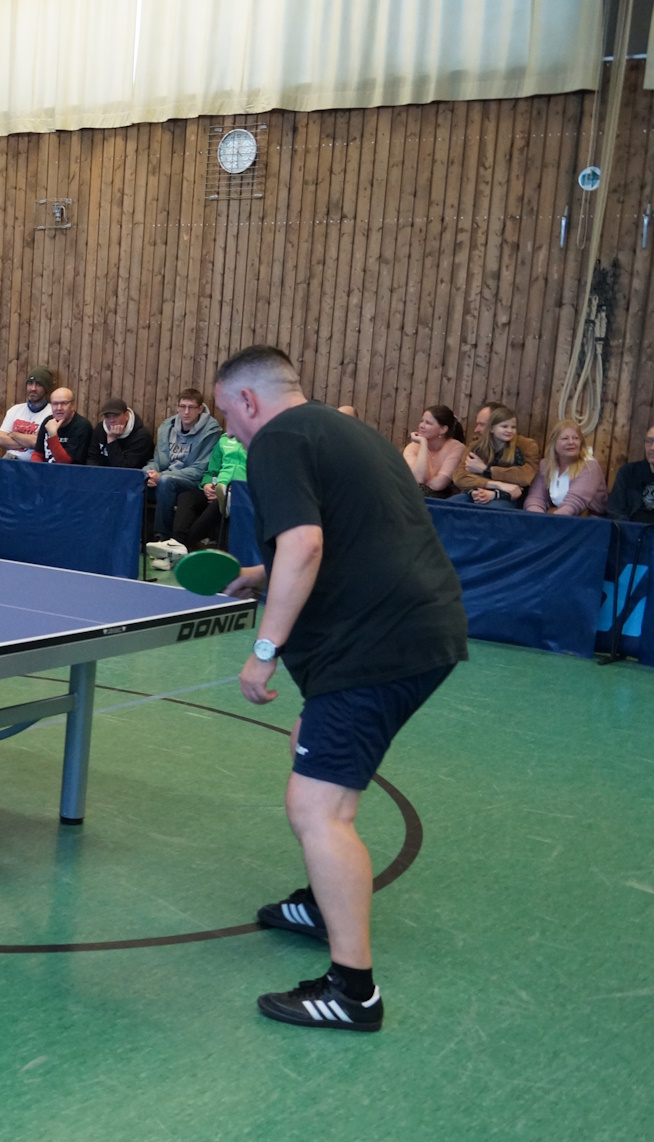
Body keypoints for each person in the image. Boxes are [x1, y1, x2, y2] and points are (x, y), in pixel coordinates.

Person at [213, 346, 466, 1033]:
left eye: (228, 414)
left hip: (376, 646)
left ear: (249, 401)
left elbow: (306, 543)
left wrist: (263, 651)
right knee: (314, 750)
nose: (230, 430)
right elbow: (353, 531)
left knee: (317, 808)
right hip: (416, 630)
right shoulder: (345, 430)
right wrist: (260, 573)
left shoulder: (275, 441)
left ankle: (353, 992)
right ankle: (323, 905)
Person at [148, 430, 247, 569]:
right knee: (186, 497)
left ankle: (175, 549)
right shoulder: (224, 440)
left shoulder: (257, 442)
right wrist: (207, 485)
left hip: (240, 492)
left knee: (219, 503)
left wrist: (235, 489)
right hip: (217, 487)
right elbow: (211, 471)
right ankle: (176, 545)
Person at [147, 389, 221, 537]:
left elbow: (200, 469)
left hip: (191, 482)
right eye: (183, 406)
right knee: (137, 481)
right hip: (164, 478)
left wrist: (161, 475)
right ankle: (135, 536)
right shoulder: (167, 427)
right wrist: (149, 472)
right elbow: (157, 461)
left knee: (166, 481)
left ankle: (162, 536)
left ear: (200, 409)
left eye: (191, 407)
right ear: (177, 407)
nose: (186, 412)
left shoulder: (210, 431)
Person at [451, 405, 539, 506]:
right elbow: (460, 477)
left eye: (482, 424)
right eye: (505, 427)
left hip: (506, 497)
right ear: (492, 428)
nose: (476, 429)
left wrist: (486, 470)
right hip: (477, 492)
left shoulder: (524, 447)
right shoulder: (477, 447)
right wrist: (496, 485)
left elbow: (524, 478)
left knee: (492, 508)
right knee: (450, 504)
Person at [523, 422, 606, 516]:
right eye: (565, 438)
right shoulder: (545, 465)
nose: (571, 442)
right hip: (556, 517)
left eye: (575, 438)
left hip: (588, 519)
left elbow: (573, 503)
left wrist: (550, 521)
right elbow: (535, 498)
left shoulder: (590, 466)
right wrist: (537, 518)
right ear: (554, 443)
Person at [403, 405, 466, 495]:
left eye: (428, 423)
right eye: (422, 421)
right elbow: (418, 478)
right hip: (415, 493)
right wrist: (423, 444)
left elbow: (438, 485)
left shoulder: (457, 448)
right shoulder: (412, 447)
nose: (421, 426)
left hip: (444, 495)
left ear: (443, 429)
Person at [17, 387, 90, 463]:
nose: (59, 408)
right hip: (45, 469)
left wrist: (53, 435)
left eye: (64, 403)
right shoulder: (48, 421)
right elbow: (38, 454)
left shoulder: (82, 426)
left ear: (73, 405)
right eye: (55, 404)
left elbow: (65, 463)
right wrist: (36, 469)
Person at [0, 367, 56, 453]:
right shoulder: (15, 410)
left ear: (46, 388)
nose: (33, 388)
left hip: (34, 461)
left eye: (38, 384)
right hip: (9, 459)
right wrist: (29, 441)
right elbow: (0, 440)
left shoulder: (53, 412)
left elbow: (37, 443)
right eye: (30, 383)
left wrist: (14, 434)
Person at [83, 399, 151, 468]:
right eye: (107, 417)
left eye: (116, 416)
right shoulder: (100, 429)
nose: (111, 420)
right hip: (101, 473)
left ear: (126, 415)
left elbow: (124, 468)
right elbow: (92, 458)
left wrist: (111, 439)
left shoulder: (141, 437)